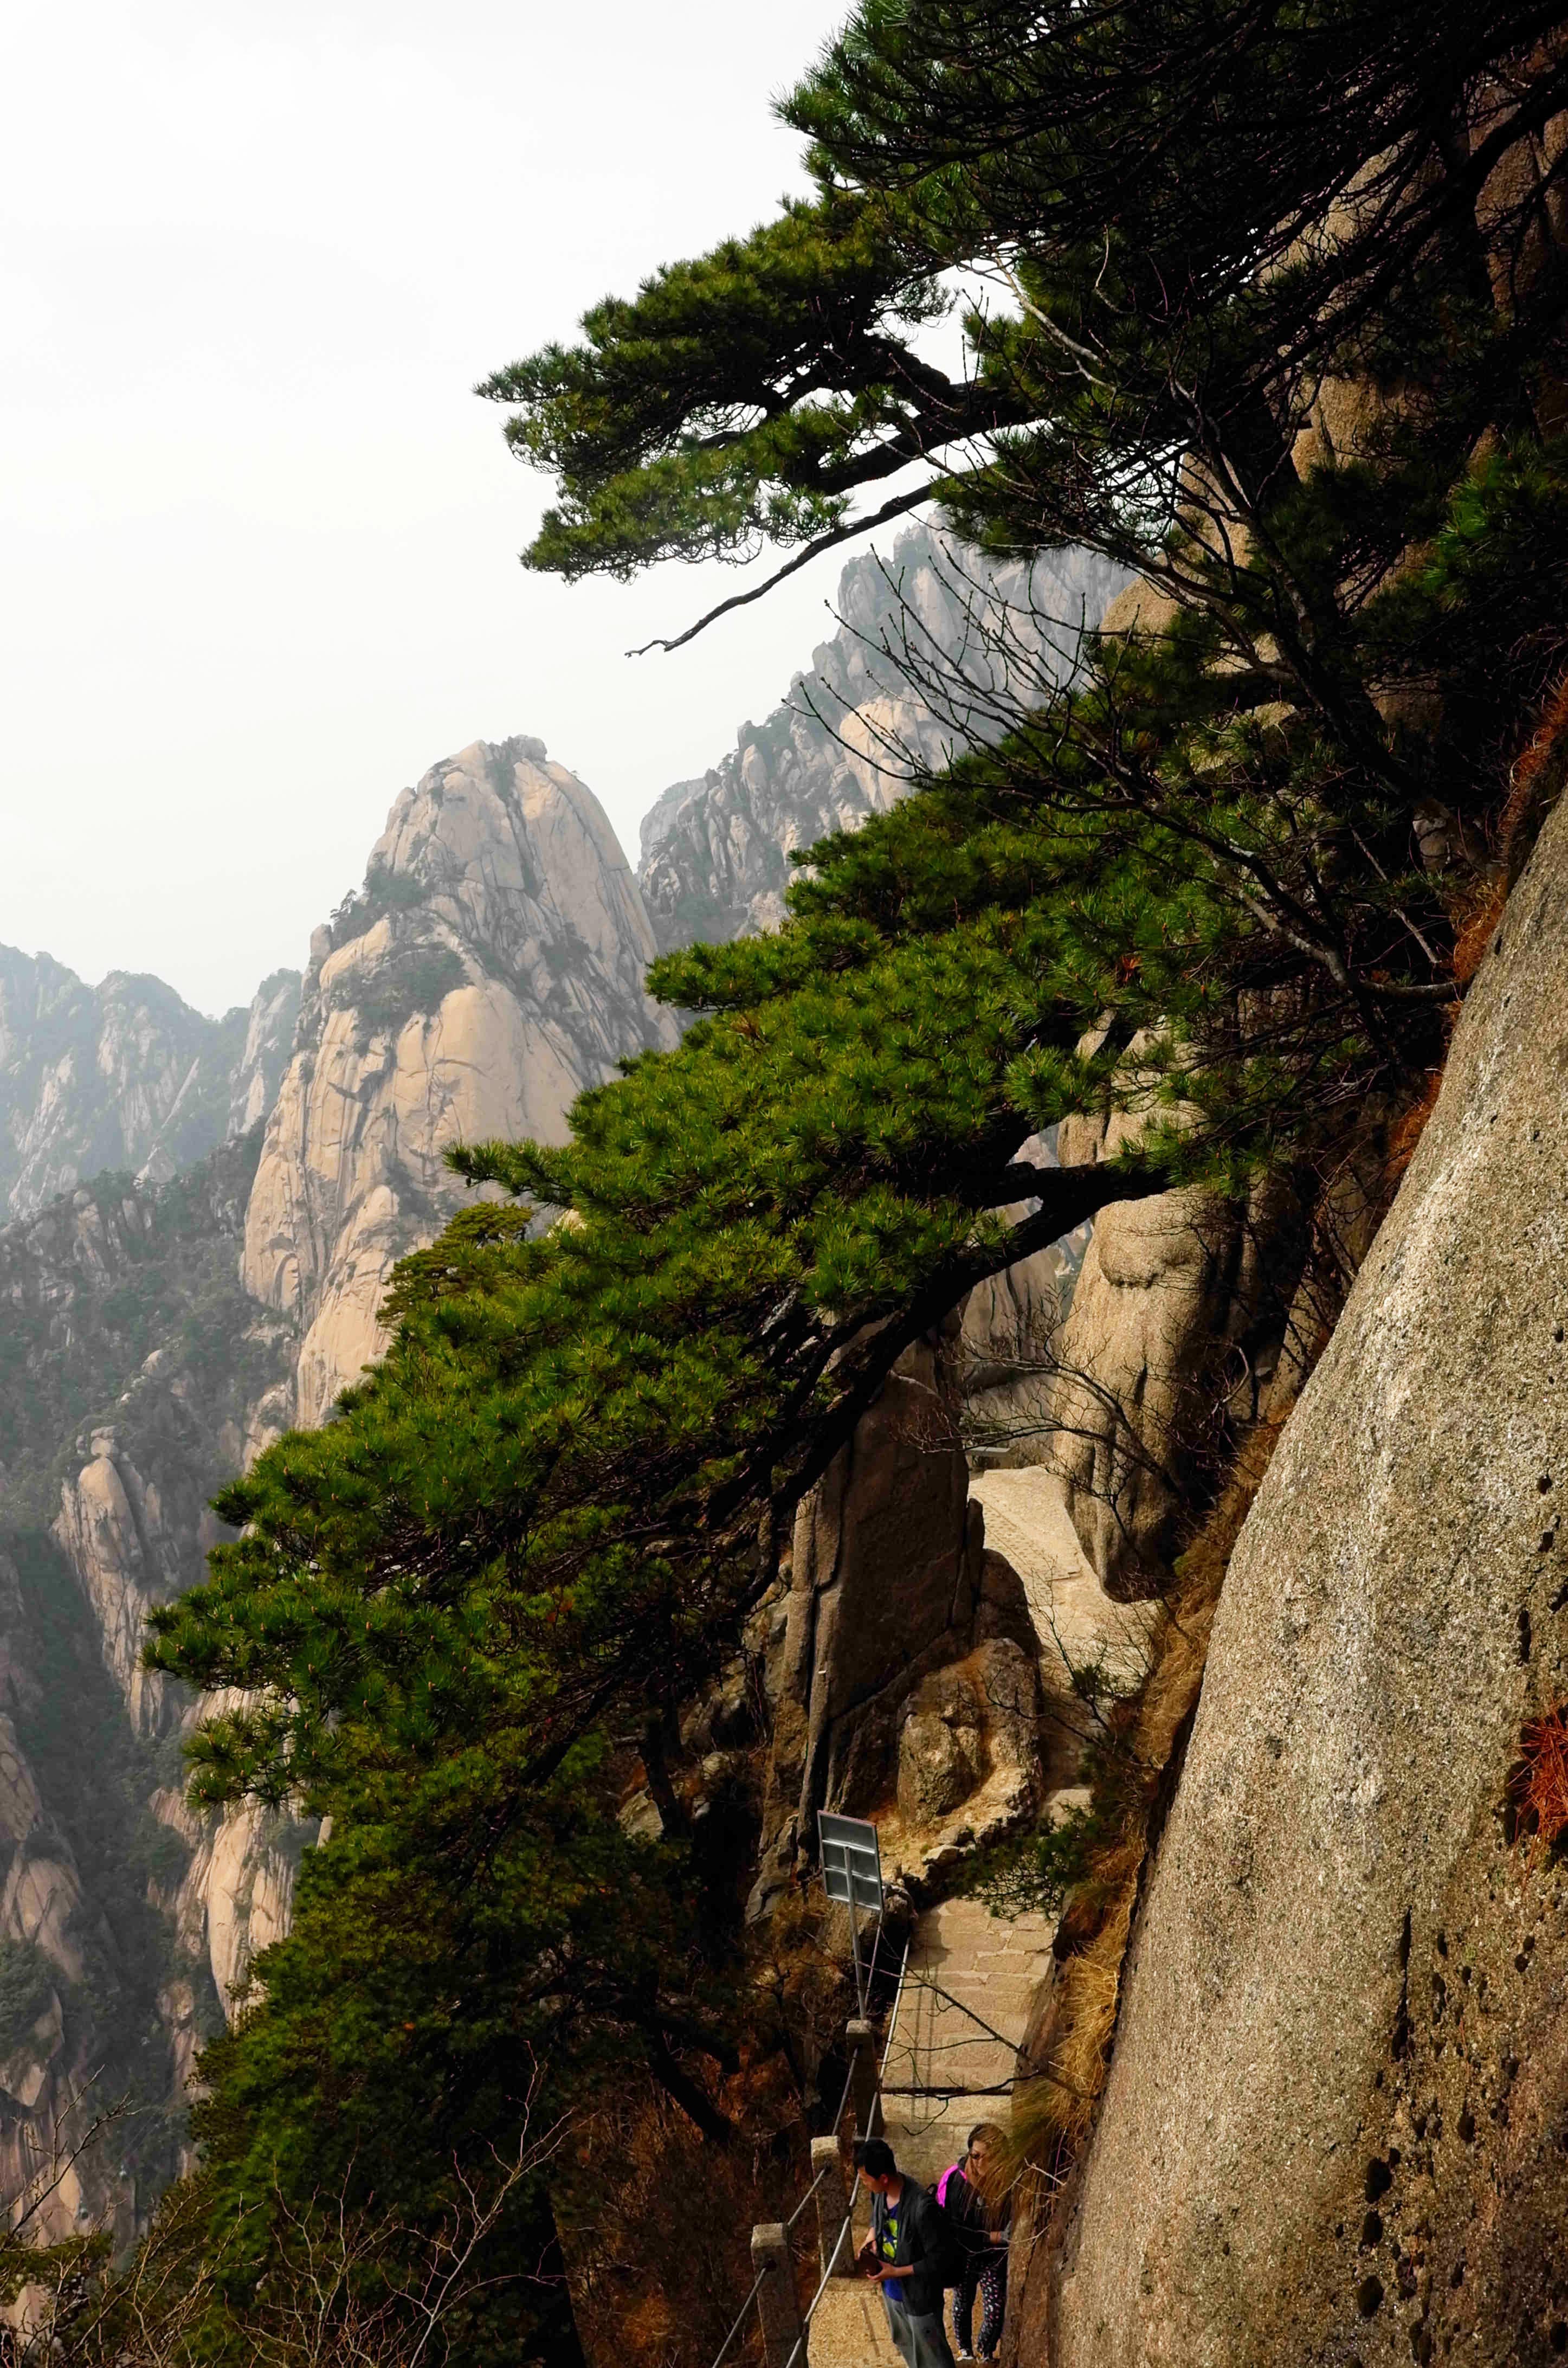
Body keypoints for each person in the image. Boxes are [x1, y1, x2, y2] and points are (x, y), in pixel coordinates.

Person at [854, 2137, 959, 2368]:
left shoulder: (922, 2209)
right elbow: (877, 2218)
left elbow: (939, 2261)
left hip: (920, 2299)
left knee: (933, 2358)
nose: (864, 2184)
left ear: (883, 2178)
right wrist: (872, 2235)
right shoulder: (879, 2193)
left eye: (865, 2179)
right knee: (906, 2346)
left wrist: (896, 2271)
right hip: (892, 2292)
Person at [942, 2124, 1010, 2361]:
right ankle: (965, 2352)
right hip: (965, 2256)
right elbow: (952, 2228)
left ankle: (985, 2352)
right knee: (962, 2305)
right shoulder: (956, 2181)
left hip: (993, 2258)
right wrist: (992, 2237)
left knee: (995, 2311)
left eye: (990, 2158)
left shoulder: (1007, 2182)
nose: (981, 2163)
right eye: (976, 2156)